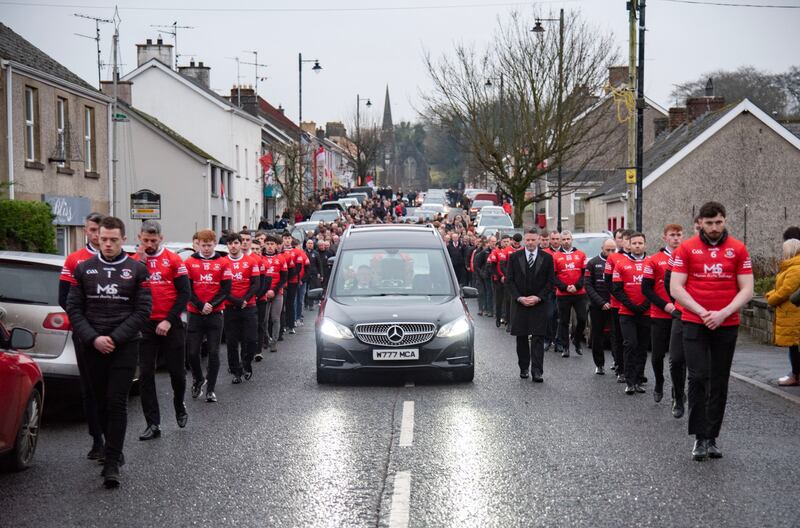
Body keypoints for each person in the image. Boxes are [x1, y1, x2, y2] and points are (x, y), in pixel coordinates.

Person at [66, 216, 151, 489]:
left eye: (114, 239)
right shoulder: (84, 269)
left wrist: (114, 338)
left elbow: (142, 311)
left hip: (124, 346)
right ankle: (110, 445)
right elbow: (74, 309)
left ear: (123, 239)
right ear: (97, 238)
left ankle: (112, 462)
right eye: (104, 239)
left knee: (117, 402)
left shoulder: (137, 269)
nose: (108, 244)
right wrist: (93, 338)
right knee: (100, 401)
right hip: (93, 345)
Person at [670, 201, 754, 461]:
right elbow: (676, 287)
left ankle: (712, 437)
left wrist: (723, 313)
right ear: (700, 223)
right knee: (697, 377)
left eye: (719, 222)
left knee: (719, 380)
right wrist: (702, 311)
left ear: (724, 220)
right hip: (695, 322)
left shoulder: (738, 249)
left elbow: (747, 289)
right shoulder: (686, 248)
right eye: (709, 223)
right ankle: (698, 438)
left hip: (726, 323)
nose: (715, 227)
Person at [132, 220, 191, 442]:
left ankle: (179, 404)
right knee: (146, 374)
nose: (149, 244)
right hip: (146, 324)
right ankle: (153, 423)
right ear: (139, 238)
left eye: (153, 241)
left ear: (161, 239)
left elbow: (185, 293)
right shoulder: (135, 262)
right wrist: (140, 262)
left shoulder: (174, 260)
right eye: (145, 240)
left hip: (171, 323)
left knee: (177, 372)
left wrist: (168, 320)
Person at [58, 211, 105, 460]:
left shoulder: (118, 259)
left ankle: (113, 441)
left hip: (113, 334)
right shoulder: (75, 259)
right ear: (86, 231)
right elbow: (64, 299)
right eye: (92, 230)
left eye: (100, 230)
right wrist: (86, 328)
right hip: (85, 334)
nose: (97, 236)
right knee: (90, 389)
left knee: (112, 389)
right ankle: (97, 440)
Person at [185, 229, 232, 404]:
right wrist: (199, 305)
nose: (205, 248)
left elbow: (226, 290)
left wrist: (210, 305)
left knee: (213, 352)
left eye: (209, 245)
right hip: (195, 313)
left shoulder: (222, 263)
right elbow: (187, 288)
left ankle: (210, 390)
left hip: (215, 314)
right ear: (197, 244)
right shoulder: (190, 262)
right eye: (203, 245)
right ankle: (198, 378)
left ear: (214, 244)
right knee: (192, 352)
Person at [505, 228, 555, 382]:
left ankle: (537, 371)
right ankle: (524, 367)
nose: (530, 243)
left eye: (533, 240)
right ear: (524, 240)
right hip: (520, 304)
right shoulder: (514, 257)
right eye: (528, 240)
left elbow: (550, 282)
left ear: (539, 240)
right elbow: (509, 281)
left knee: (538, 337)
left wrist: (538, 297)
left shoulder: (547, 258)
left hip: (538, 304)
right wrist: (519, 298)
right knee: (521, 337)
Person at [642, 224, 683, 403]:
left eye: (679, 235)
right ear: (664, 237)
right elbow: (646, 289)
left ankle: (677, 390)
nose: (676, 238)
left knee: (679, 358)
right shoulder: (654, 260)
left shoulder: (686, 257)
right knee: (658, 355)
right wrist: (666, 305)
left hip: (682, 315)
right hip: (660, 314)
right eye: (672, 235)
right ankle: (659, 382)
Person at [612, 232, 650, 395]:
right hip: (627, 312)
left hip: (646, 312)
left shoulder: (651, 263)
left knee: (642, 347)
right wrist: (632, 306)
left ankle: (639, 379)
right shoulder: (621, 263)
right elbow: (616, 289)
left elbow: (654, 288)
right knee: (630, 344)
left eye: (640, 243)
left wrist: (644, 305)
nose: (637, 246)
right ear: (629, 245)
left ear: (645, 245)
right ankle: (629, 380)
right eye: (634, 243)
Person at [222, 232, 261, 383]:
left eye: (236, 243)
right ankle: (236, 372)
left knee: (251, 340)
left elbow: (256, 283)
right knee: (231, 343)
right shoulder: (223, 262)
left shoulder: (251, 261)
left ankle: (246, 363)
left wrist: (244, 300)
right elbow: (221, 287)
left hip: (248, 306)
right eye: (230, 243)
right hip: (230, 307)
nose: (233, 246)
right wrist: (236, 301)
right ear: (227, 245)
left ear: (240, 244)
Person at [765, 238, 800, 386]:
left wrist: (771, 299)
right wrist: (771, 294)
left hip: (794, 314)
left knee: (795, 346)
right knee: (794, 346)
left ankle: (795, 375)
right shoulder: (791, 267)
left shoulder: (796, 268)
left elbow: (786, 290)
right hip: (790, 313)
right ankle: (795, 374)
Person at [552, 230, 587, 357]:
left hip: (579, 293)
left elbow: (584, 274)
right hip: (563, 294)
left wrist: (576, 286)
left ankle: (576, 340)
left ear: (572, 240)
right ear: (560, 241)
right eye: (564, 239)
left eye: (568, 239)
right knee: (564, 321)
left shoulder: (581, 254)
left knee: (582, 319)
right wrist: (565, 287)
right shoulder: (555, 256)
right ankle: (565, 347)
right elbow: (553, 276)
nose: (566, 241)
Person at [584, 238, 616, 374]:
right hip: (598, 305)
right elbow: (588, 285)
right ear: (602, 248)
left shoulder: (619, 261)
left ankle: (618, 362)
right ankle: (599, 364)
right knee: (597, 335)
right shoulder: (593, 263)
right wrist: (601, 302)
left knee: (616, 336)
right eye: (607, 250)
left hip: (615, 304)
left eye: (613, 250)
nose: (610, 252)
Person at [605, 229, 631, 383]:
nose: (624, 242)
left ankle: (633, 370)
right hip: (617, 304)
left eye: (627, 239)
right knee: (619, 336)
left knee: (634, 340)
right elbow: (609, 282)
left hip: (636, 306)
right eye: (622, 239)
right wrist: (619, 297)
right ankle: (620, 367)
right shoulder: (614, 257)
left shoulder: (643, 258)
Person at [261, 235, 288, 353]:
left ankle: (274, 343)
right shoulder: (259, 258)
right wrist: (265, 291)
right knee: (264, 319)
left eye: (272, 244)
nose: (270, 246)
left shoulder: (281, 258)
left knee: (275, 318)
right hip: (263, 293)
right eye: (268, 244)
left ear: (276, 245)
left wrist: (274, 290)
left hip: (277, 292)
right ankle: (266, 338)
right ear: (264, 245)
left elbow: (284, 278)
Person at [543, 231, 562, 351]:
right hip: (548, 290)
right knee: (548, 315)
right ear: (550, 240)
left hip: (561, 289)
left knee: (559, 317)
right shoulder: (545, 253)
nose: (555, 241)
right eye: (553, 238)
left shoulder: (564, 253)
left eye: (557, 239)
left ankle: (558, 341)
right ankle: (547, 339)